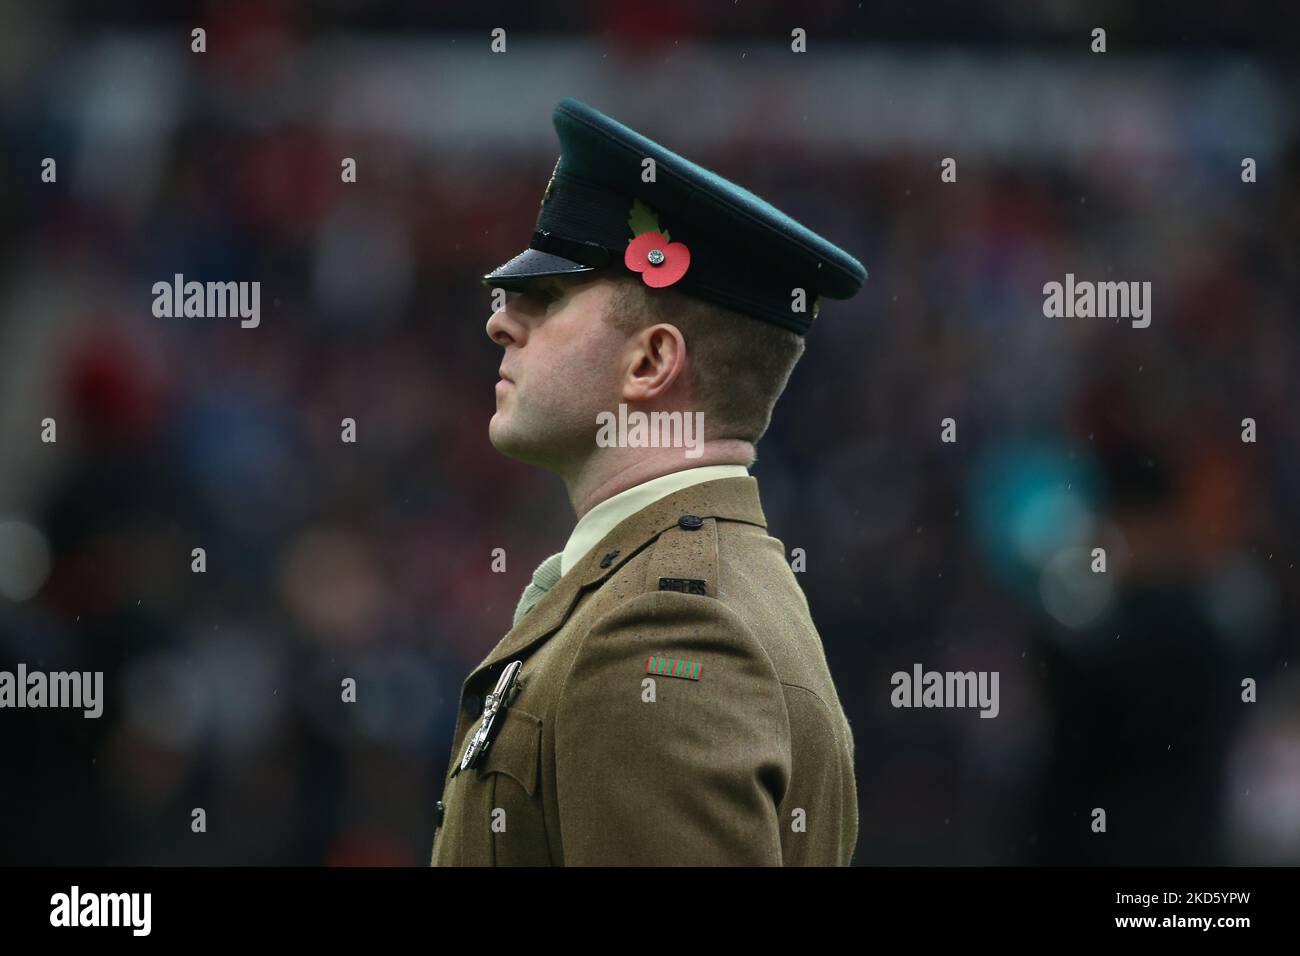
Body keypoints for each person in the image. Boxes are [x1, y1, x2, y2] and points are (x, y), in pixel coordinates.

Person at [430, 97, 867, 865]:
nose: (502, 320)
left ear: (651, 362)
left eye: (550, 297)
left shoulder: (657, 632)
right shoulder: (699, 589)